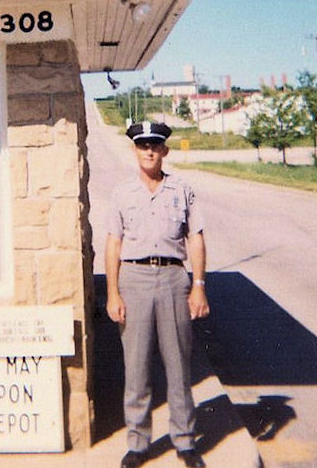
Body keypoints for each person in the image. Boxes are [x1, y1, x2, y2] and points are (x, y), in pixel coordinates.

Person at [105, 121, 210, 468]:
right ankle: (138, 443)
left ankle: (184, 440)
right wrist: (112, 294)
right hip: (133, 278)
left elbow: (195, 238)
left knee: (179, 363)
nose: (149, 151)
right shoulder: (122, 193)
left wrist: (198, 286)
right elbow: (113, 244)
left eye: (155, 145)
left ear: (164, 150)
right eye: (142, 145)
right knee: (136, 366)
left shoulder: (182, 190)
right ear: (134, 150)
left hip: (172, 279)